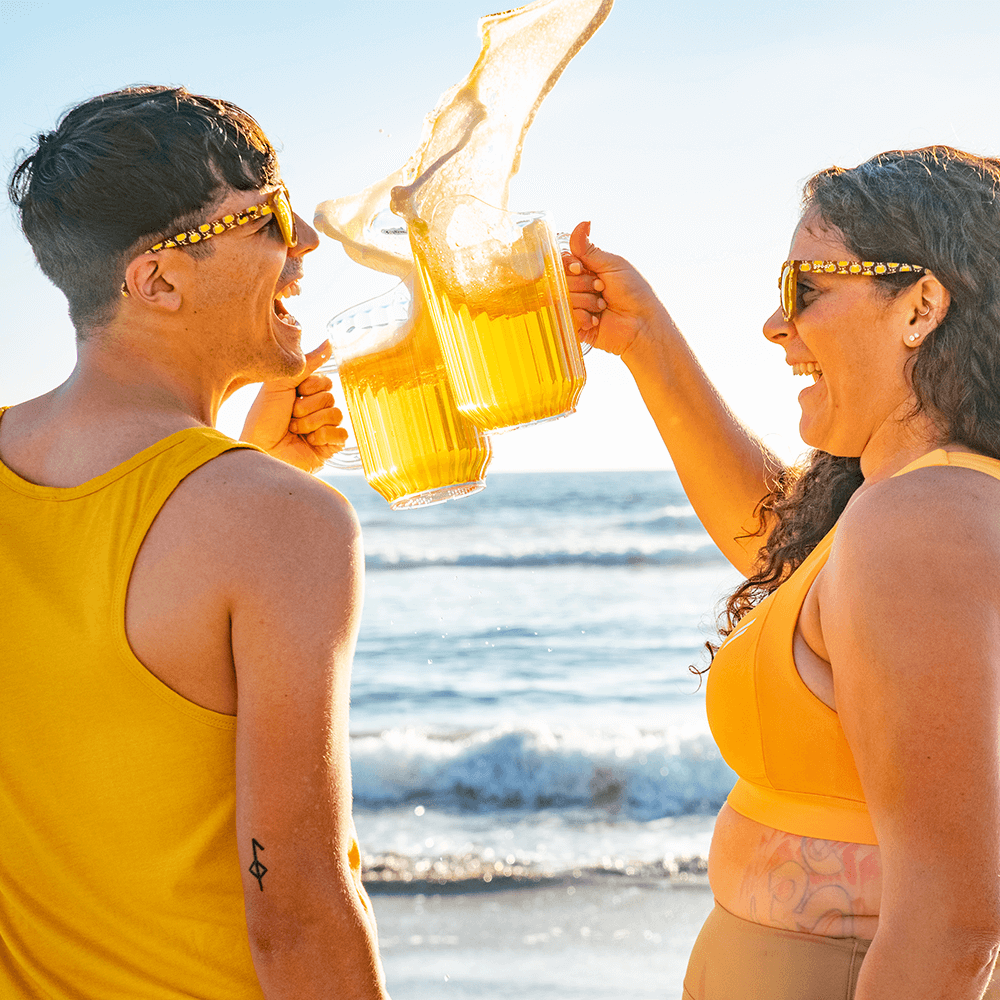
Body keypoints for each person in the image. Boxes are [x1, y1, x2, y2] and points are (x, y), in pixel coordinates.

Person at [562, 145, 1000, 999]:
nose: (775, 324)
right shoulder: (909, 503)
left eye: (804, 289)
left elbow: (956, 914)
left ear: (920, 305)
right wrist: (643, 338)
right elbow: (780, 548)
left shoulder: (922, 520)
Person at [1, 86, 390, 999]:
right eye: (272, 218)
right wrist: (256, 485)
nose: (307, 248)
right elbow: (294, 907)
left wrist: (248, 462)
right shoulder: (276, 521)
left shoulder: (242, 507)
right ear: (159, 281)